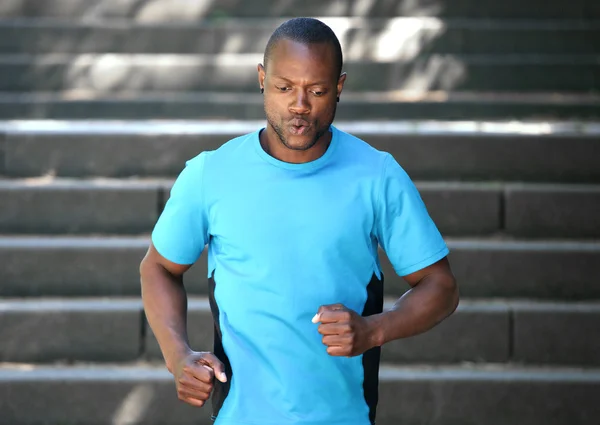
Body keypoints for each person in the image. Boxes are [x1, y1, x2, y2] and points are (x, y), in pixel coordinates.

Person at [140, 17, 459, 425]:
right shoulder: (210, 174)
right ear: (261, 78)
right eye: (284, 87)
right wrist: (177, 354)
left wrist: (373, 330)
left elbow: (442, 287)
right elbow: (158, 268)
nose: (299, 105)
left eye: (318, 90)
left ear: (339, 87)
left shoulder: (377, 175)